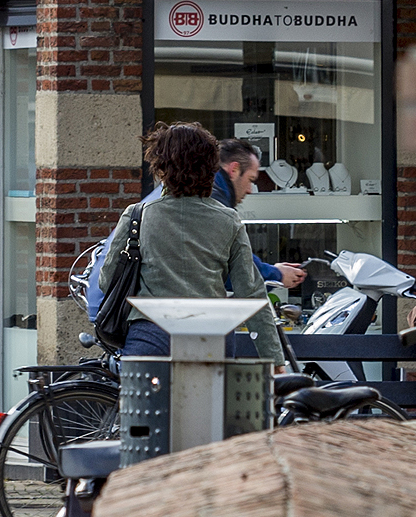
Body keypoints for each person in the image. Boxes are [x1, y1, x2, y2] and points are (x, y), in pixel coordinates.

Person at [83, 122, 287, 365]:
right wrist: (274, 360)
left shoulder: (138, 215)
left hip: (151, 336)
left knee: (146, 391)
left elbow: (107, 280)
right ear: (210, 168)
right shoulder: (228, 220)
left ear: (161, 167)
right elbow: (251, 293)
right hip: (212, 337)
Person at [211, 138, 308, 290]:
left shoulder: (213, 197)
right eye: (250, 179)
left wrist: (273, 271)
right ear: (234, 170)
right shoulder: (218, 207)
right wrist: (277, 275)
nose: (250, 190)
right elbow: (238, 270)